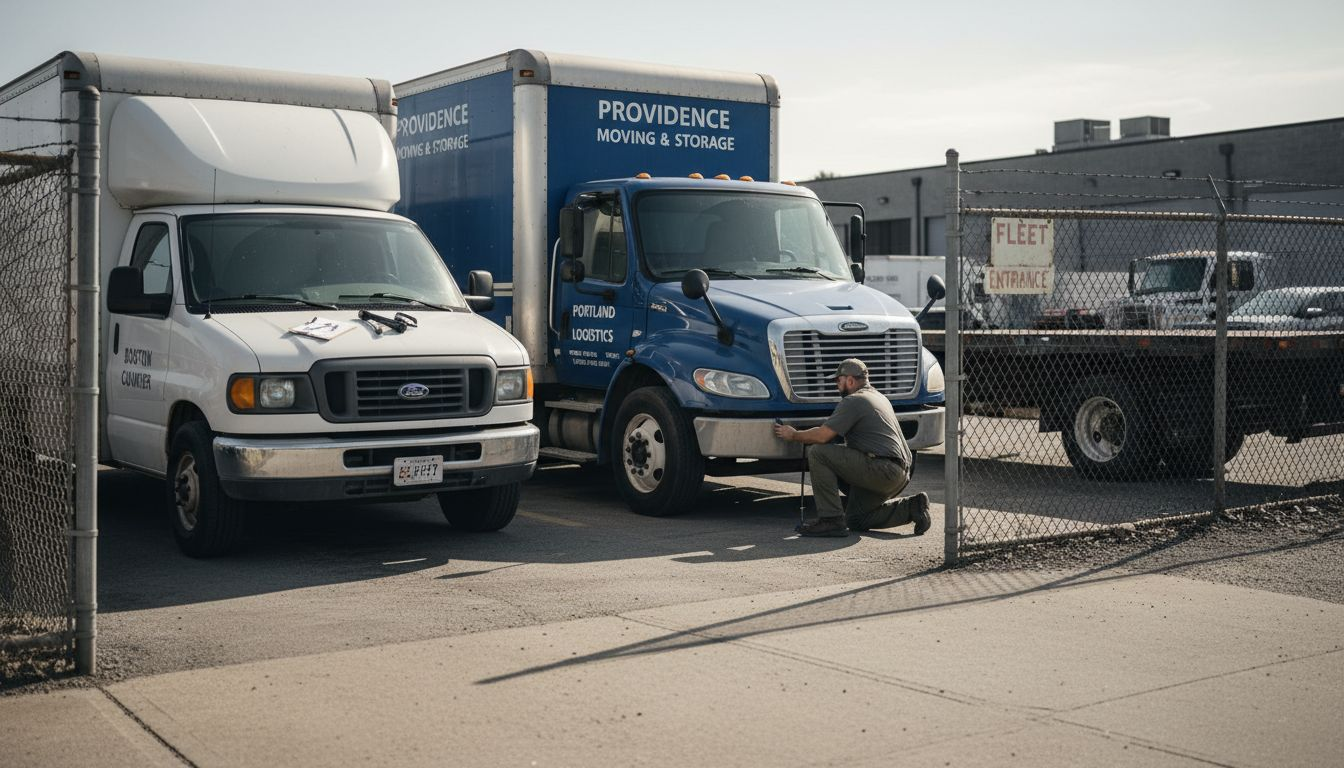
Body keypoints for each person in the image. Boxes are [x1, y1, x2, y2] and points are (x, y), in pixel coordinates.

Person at [772, 358, 930, 538]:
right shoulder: (879, 397)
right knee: (856, 519)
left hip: (883, 469)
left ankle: (830, 520)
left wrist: (793, 435)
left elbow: (823, 436)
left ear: (850, 380)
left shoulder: (854, 400)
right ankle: (912, 507)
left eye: (837, 381)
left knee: (817, 452)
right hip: (899, 472)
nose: (836, 385)